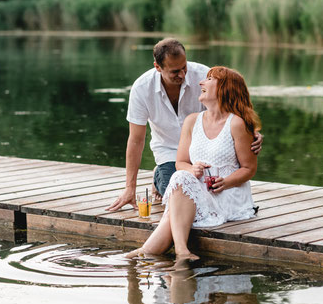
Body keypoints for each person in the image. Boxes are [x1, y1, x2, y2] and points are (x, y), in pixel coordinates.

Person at [106, 38, 262, 212]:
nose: (182, 74)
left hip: (203, 155)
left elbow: (231, 104)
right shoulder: (142, 89)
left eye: (184, 67)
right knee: (176, 202)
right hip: (170, 154)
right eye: (174, 71)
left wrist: (251, 132)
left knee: (206, 199)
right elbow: (136, 140)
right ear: (158, 67)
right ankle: (161, 174)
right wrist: (130, 188)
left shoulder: (203, 75)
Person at [126, 66, 260, 259]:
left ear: (224, 88)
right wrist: (192, 168)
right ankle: (180, 250)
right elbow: (180, 162)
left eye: (209, 79)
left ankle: (145, 252)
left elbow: (249, 168)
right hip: (199, 189)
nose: (201, 82)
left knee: (176, 202)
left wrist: (226, 182)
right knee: (181, 176)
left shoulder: (237, 124)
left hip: (229, 194)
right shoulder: (192, 121)